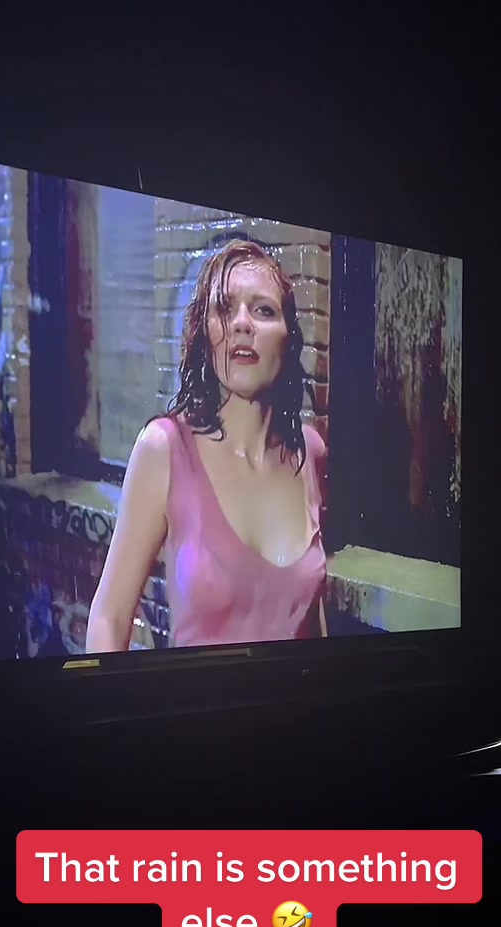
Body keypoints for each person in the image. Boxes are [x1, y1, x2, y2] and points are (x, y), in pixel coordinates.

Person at [87, 239, 327, 651]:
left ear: (288, 338)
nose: (242, 323)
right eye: (225, 309)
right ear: (206, 332)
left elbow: (312, 612)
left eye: (263, 310)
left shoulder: (309, 453)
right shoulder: (165, 450)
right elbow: (109, 617)